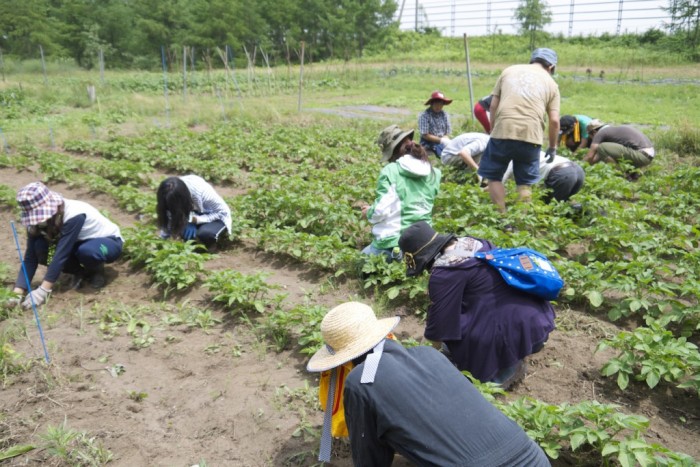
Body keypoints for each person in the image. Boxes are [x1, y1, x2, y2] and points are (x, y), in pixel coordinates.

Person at [306, 301, 550, 467]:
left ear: (342, 358)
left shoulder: (361, 382)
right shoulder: (429, 355)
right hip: (533, 457)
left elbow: (371, 461)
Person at [398, 221, 556, 387]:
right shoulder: (476, 244)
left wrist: (420, 360)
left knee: (465, 357)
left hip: (513, 331)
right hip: (538, 320)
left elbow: (438, 328)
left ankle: (504, 371)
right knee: (468, 323)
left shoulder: (445, 273)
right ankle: (515, 353)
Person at [8, 182, 124, 309]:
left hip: (106, 242)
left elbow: (61, 253)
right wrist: (18, 292)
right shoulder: (37, 224)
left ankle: (96, 270)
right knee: (41, 249)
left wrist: (43, 290)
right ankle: (79, 272)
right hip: (74, 245)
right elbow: (30, 257)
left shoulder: (74, 214)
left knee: (88, 251)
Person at [477, 48, 561, 214]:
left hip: (504, 129)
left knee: (494, 177)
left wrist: (494, 130)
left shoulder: (509, 71)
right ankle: (520, 222)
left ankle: (502, 217)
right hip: (531, 136)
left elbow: (493, 106)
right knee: (524, 183)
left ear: (533, 60)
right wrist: (552, 147)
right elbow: (554, 120)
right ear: (551, 67)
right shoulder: (552, 84)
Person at [360, 125, 441, 259]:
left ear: (393, 152)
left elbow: (380, 211)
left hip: (395, 245)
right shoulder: (434, 173)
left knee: (361, 260)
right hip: (425, 242)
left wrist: (368, 212)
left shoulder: (392, 170)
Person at [156, 174, 232, 247]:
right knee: (185, 233)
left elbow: (223, 212)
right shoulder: (169, 192)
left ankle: (211, 245)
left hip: (214, 215)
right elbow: (169, 214)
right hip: (193, 214)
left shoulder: (202, 192)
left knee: (206, 234)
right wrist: (163, 238)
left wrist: (195, 220)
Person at [503, 151, 585, 204]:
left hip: (562, 174)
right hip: (578, 170)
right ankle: (585, 215)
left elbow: (499, 182)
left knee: (550, 206)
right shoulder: (529, 151)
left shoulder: (510, 160)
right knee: (565, 201)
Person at [583, 119, 655, 172]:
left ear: (594, 132)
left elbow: (590, 156)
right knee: (604, 150)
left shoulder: (601, 133)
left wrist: (580, 166)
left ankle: (620, 174)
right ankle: (631, 174)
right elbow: (597, 157)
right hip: (648, 156)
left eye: (590, 136)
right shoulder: (611, 132)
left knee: (601, 147)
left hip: (641, 155)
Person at [418, 90, 453, 157]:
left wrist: (445, 140)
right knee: (441, 154)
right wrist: (441, 140)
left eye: (440, 104)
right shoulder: (425, 115)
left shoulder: (445, 115)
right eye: (436, 104)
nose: (438, 106)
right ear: (432, 104)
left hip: (442, 139)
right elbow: (425, 135)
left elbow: (446, 133)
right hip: (428, 142)